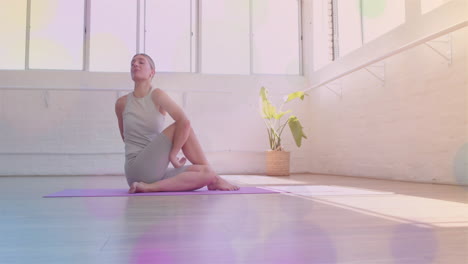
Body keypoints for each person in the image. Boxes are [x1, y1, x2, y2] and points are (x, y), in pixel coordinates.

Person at [115, 53, 239, 193]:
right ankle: (216, 179)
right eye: (132, 63)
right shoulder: (122, 103)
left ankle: (149, 187)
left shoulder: (157, 95)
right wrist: (173, 155)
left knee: (207, 172)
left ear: (152, 72)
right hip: (136, 169)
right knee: (183, 125)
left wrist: (167, 154)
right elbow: (125, 138)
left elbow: (184, 123)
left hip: (155, 170)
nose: (135, 65)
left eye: (141, 62)